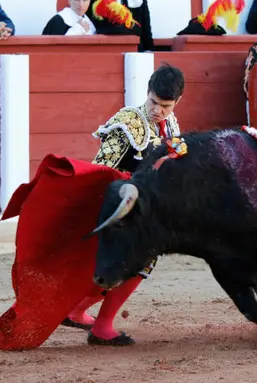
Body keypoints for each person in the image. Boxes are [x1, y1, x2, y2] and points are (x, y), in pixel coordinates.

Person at [61, 63, 185, 346]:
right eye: (154, 102)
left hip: (143, 212)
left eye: (166, 106)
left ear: (177, 102)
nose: (158, 111)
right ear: (147, 92)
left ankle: (78, 310)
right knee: (133, 262)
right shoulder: (128, 122)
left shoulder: (173, 125)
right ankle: (101, 325)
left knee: (133, 262)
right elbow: (101, 169)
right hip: (117, 207)